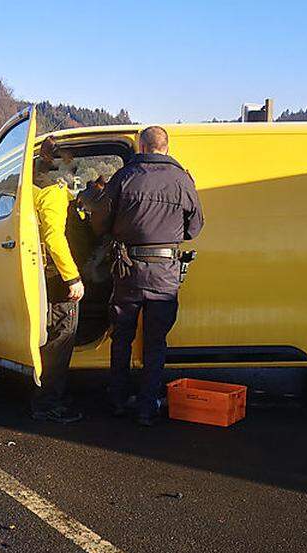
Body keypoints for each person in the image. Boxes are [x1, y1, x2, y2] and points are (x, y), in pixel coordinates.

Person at [93, 126, 203, 425]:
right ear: (166, 147)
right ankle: (146, 408)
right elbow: (194, 229)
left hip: (128, 271)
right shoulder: (182, 180)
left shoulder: (124, 177)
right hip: (165, 274)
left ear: (141, 146)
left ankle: (117, 400)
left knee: (122, 338)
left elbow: (99, 221)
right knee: (156, 343)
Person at [30, 137, 85, 423]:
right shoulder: (52, 191)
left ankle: (49, 395)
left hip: (39, 270)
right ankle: (49, 402)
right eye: (71, 162)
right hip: (56, 274)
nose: (74, 169)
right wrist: (73, 277)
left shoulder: (32, 183)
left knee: (50, 335)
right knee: (62, 335)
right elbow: (53, 236)